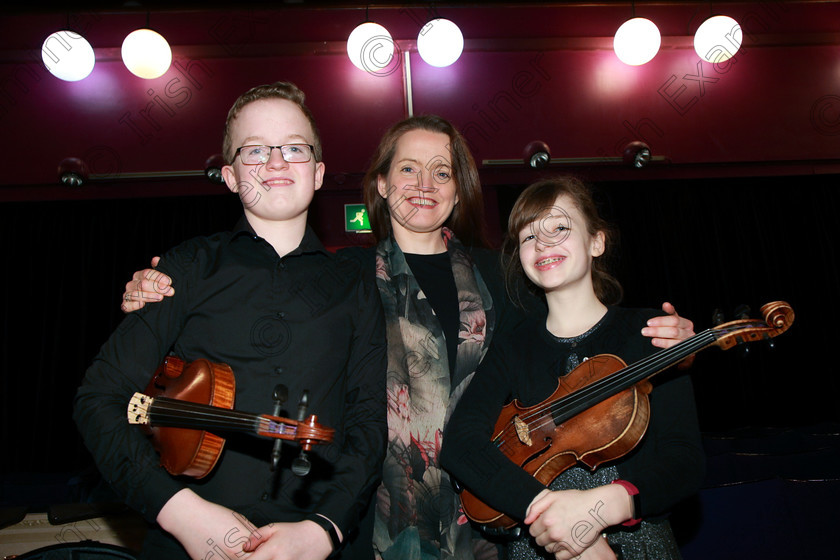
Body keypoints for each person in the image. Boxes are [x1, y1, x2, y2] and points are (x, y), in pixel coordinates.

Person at [120, 117, 696, 560]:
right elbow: (260, 315)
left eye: (442, 171)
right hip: (375, 519)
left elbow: (572, 339)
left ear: (459, 188)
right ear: (380, 183)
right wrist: (159, 288)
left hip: (501, 516)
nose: (425, 184)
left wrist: (670, 341)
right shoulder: (341, 277)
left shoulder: (503, 273)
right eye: (408, 169)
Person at [73, 82, 387, 560]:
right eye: (255, 149)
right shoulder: (187, 266)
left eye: (294, 148)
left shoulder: (357, 281)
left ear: (319, 173)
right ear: (230, 175)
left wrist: (323, 530)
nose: (277, 162)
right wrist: (183, 514)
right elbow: (99, 400)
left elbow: (368, 423)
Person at [439, 177, 705, 560]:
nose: (542, 244)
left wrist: (599, 509)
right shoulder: (512, 347)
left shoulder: (651, 332)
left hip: (639, 543)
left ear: (596, 241)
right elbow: (461, 444)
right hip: (540, 544)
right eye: (528, 237)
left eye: (559, 228)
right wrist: (553, 516)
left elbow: (685, 461)